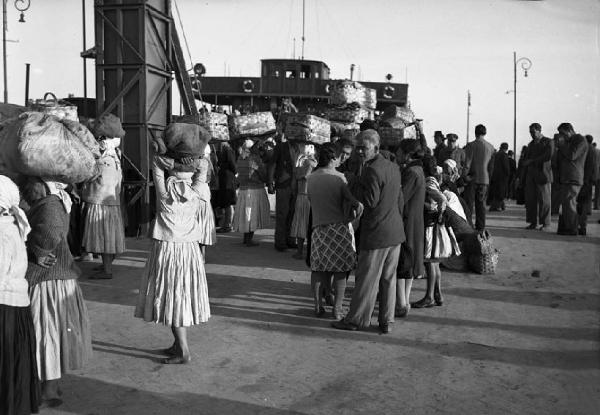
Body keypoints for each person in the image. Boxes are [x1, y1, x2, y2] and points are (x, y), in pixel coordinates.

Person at [135, 155, 211, 364]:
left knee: (171, 295)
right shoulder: (196, 191)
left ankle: (183, 350)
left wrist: (172, 160)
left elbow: (157, 165)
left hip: (168, 249)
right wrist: (191, 161)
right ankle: (178, 344)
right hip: (189, 250)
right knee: (181, 293)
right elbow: (203, 166)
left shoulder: (165, 193)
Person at [23, 177, 93, 406]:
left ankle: (49, 390)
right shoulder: (54, 201)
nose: (25, 189)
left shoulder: (50, 204)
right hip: (55, 280)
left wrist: (39, 250)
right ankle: (50, 385)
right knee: (51, 333)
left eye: (30, 184)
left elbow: (51, 231)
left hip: (48, 281)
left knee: (46, 333)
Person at [332, 130, 405, 334]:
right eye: (358, 147)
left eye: (363, 148)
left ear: (375, 148)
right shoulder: (392, 166)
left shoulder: (371, 171)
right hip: (394, 232)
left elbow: (370, 201)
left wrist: (354, 183)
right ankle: (386, 321)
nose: (360, 151)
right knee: (388, 280)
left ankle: (356, 320)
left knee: (366, 279)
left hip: (377, 233)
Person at [0, 175, 41, 415]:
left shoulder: (4, 229)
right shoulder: (12, 223)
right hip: (15, 307)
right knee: (13, 367)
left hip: (4, 307)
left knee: (6, 367)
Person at [307, 143, 362, 319]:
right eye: (338, 157)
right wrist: (357, 212)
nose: (340, 160)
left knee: (318, 269)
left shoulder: (312, 178)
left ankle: (318, 306)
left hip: (318, 229)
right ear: (332, 158)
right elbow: (354, 203)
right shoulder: (340, 178)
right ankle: (337, 309)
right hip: (338, 229)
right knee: (340, 270)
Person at [81, 113, 126, 279]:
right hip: (111, 200)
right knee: (110, 235)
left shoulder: (102, 152)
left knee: (104, 235)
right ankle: (105, 266)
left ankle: (107, 270)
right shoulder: (115, 152)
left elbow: (92, 173)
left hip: (101, 201)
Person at [395, 139, 425, 318]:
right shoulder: (417, 170)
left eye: (399, 153)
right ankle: (404, 301)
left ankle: (401, 303)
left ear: (407, 154)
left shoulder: (411, 173)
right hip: (414, 222)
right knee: (409, 264)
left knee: (401, 263)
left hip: (407, 222)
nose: (397, 156)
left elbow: (401, 199)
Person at [412, 156, 448, 309]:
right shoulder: (434, 179)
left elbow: (441, 199)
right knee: (435, 263)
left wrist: (437, 211)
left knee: (430, 263)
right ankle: (437, 294)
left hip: (430, 225)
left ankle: (429, 297)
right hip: (434, 224)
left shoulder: (428, 182)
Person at [232, 139, 271, 246]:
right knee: (252, 214)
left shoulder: (240, 158)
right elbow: (263, 174)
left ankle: (246, 238)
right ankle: (249, 240)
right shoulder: (255, 159)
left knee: (245, 215)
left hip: (243, 190)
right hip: (255, 189)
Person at [555, 123, 588, 235]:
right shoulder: (568, 142)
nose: (561, 136)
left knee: (570, 204)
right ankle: (568, 227)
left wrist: (562, 144)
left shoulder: (580, 140)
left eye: (563, 133)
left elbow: (572, 155)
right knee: (567, 204)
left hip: (573, 177)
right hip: (566, 177)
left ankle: (572, 229)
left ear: (569, 131)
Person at [268, 138, 297, 251]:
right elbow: (272, 164)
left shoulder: (304, 147)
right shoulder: (281, 147)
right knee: (282, 214)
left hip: (297, 185)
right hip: (283, 184)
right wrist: (270, 182)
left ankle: (290, 240)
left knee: (293, 214)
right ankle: (280, 242)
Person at [464, 124, 495, 231]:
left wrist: (464, 176)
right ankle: (480, 227)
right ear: (485, 133)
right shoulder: (490, 147)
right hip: (485, 179)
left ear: (475, 132)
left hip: (472, 178)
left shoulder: (471, 145)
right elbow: (491, 166)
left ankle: (468, 225)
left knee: (469, 204)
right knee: (481, 205)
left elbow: (467, 162)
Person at [523, 123, 553, 231]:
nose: (531, 134)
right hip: (531, 175)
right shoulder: (530, 144)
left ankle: (546, 223)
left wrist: (532, 161)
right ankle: (533, 222)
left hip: (543, 175)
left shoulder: (548, 142)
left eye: (533, 132)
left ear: (539, 131)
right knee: (531, 200)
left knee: (545, 200)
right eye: (530, 132)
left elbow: (548, 156)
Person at [290, 143, 317, 259]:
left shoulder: (307, 163)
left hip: (304, 195)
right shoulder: (310, 162)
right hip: (307, 195)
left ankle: (300, 252)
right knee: (306, 224)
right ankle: (304, 252)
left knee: (301, 224)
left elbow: (302, 176)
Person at [576, 135, 598, 235]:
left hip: (585, 180)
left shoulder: (588, 149)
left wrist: (585, 180)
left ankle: (581, 227)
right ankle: (582, 226)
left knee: (582, 204)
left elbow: (588, 166)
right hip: (590, 180)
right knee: (584, 204)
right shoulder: (594, 150)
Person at [214, 141, 237, 233]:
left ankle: (228, 225)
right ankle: (227, 224)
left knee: (228, 202)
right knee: (226, 202)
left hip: (228, 179)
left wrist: (236, 174)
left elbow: (232, 165)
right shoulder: (223, 150)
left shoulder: (227, 150)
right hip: (225, 179)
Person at [488, 142, 510, 211]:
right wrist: (508, 174)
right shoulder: (504, 155)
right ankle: (496, 206)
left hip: (495, 176)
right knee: (501, 192)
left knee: (497, 191)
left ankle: (501, 205)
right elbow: (506, 167)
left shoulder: (496, 154)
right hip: (502, 177)